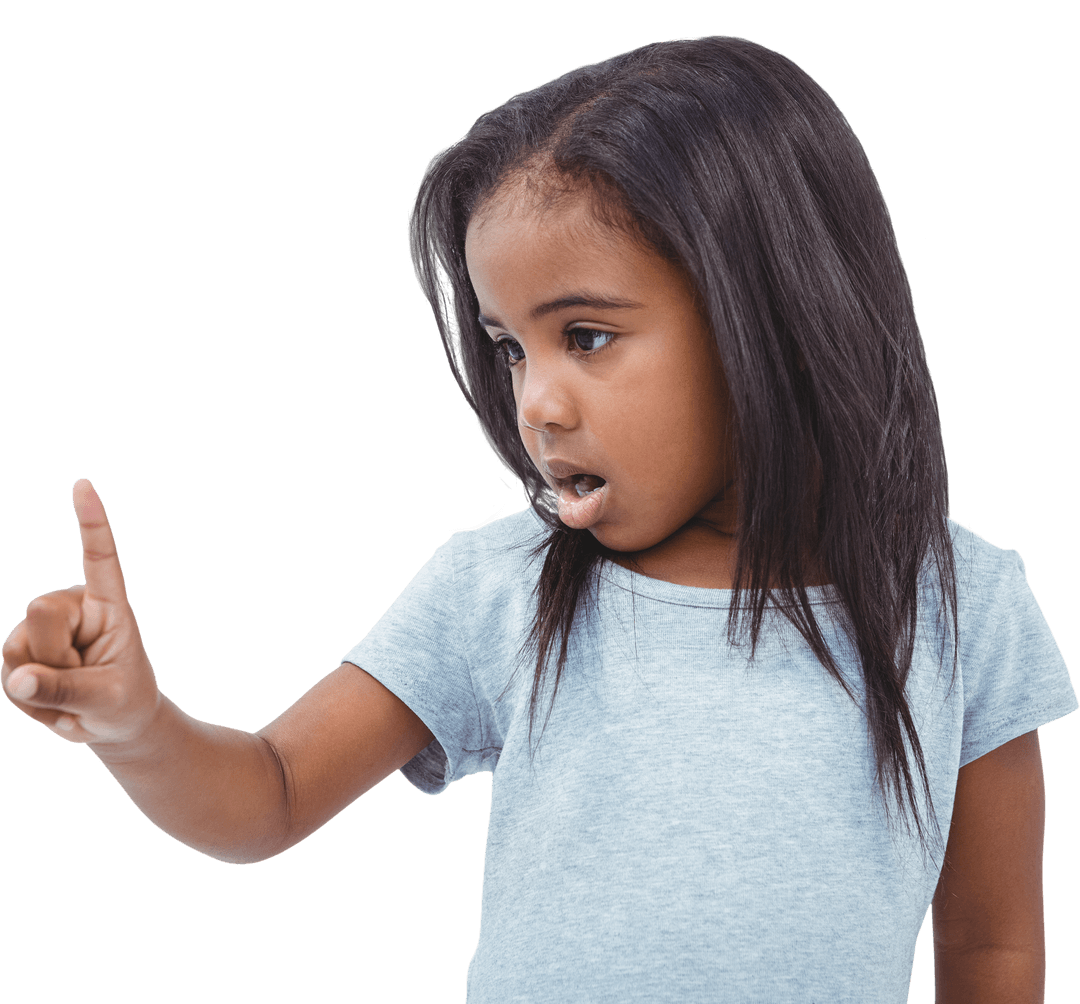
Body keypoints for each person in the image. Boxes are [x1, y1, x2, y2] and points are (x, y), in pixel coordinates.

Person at [2, 35, 1074, 1004]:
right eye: (511, 348)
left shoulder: (964, 606)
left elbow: (989, 945)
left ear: (772, 312)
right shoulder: (497, 586)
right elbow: (271, 793)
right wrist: (137, 726)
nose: (535, 403)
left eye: (587, 337)